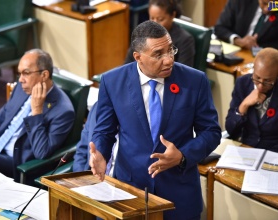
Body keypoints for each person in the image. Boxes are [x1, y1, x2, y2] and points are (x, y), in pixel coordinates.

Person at [89, 20, 221, 220]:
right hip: (131, 192)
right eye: (158, 54)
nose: (168, 60)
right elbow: (105, 131)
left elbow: (211, 132)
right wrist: (100, 153)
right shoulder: (112, 82)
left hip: (179, 195)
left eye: (170, 50)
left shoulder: (195, 81)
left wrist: (182, 156)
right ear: (138, 57)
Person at [0, 49, 75, 183]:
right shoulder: (22, 88)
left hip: (18, 166)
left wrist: (36, 112)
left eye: (26, 73)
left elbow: (42, 152)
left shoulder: (63, 111)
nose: (20, 79)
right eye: (19, 73)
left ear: (44, 75)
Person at [225, 47, 278, 152]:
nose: (261, 86)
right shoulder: (242, 84)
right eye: (257, 78)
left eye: (268, 81)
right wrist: (243, 105)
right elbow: (230, 129)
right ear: (253, 69)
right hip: (245, 148)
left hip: (273, 154)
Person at [124, 0, 195, 67]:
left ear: (172, 15)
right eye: (152, 18)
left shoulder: (185, 40)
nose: (155, 23)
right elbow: (127, 66)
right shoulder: (141, 35)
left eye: (160, 19)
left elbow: (183, 73)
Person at [73, 101, 118, 176]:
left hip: (119, 183)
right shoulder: (97, 107)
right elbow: (82, 150)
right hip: (89, 178)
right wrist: (80, 177)